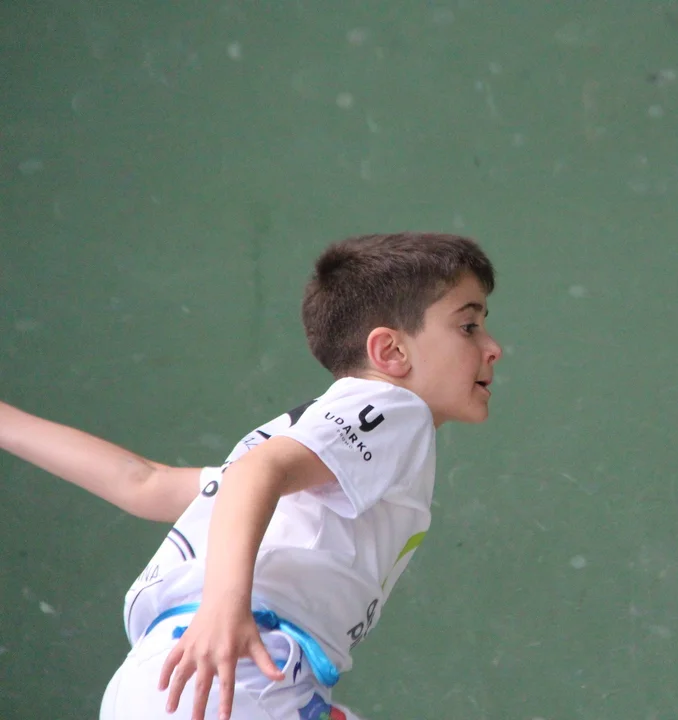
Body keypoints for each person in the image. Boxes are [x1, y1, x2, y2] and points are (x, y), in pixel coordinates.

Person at [0, 232, 502, 720]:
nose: (492, 347)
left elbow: (144, 484)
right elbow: (256, 474)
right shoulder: (395, 409)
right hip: (234, 670)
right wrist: (225, 607)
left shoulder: (314, 444)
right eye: (468, 326)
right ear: (390, 352)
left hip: (156, 678)